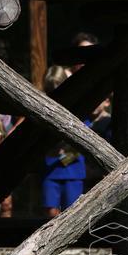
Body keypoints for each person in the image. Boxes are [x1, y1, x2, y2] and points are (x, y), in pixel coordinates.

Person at [40, 65, 87, 218]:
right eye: (50, 90)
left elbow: (86, 135)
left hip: (72, 167)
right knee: (51, 212)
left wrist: (67, 155)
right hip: (51, 167)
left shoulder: (78, 106)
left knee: (71, 213)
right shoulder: (40, 107)